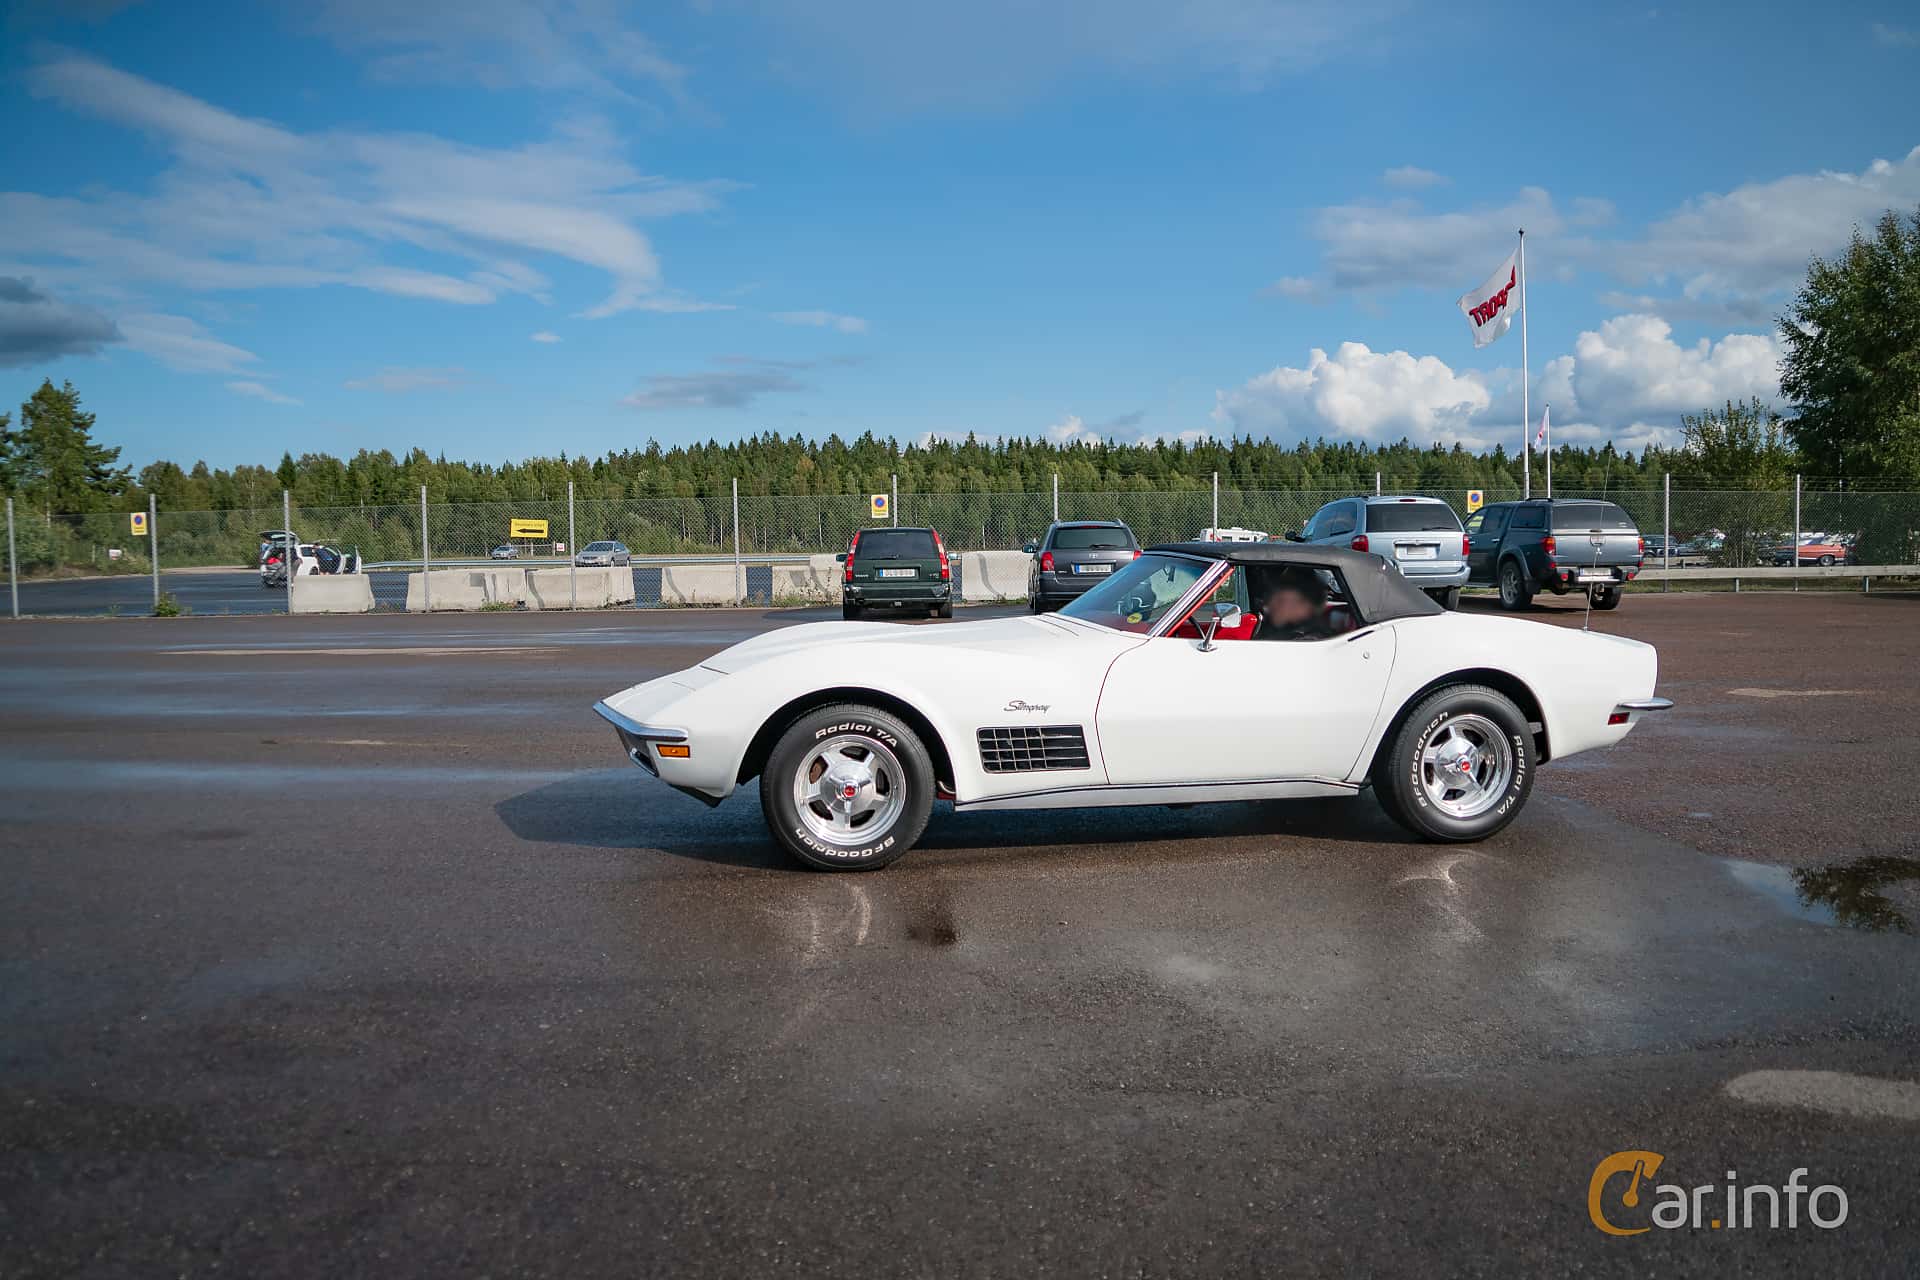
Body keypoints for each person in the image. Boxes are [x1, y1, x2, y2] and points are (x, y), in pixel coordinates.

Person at [1252, 567, 1340, 641]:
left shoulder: (1307, 642)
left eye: (1280, 601)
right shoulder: (1281, 630)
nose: (1269, 605)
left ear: (1304, 605)